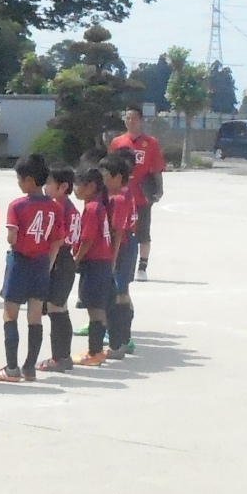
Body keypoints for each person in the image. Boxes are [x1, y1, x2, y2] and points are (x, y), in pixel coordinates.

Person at [0, 154, 63, 383]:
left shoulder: (18, 205)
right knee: (35, 316)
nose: (19, 183)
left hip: (20, 262)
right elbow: (57, 240)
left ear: (29, 180)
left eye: (20, 179)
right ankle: (29, 367)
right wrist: (48, 264)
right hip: (41, 263)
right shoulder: (55, 207)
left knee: (10, 314)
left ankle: (11, 367)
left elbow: (12, 237)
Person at [109, 106, 165, 281]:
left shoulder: (151, 143)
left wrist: (159, 189)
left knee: (143, 233)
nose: (130, 121)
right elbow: (109, 167)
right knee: (117, 230)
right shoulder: (117, 142)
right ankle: (115, 263)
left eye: (134, 118)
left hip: (141, 196)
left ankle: (142, 267)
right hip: (120, 196)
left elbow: (156, 169)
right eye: (127, 118)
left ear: (141, 120)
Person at [37, 165, 81, 372]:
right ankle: (62, 356)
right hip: (65, 259)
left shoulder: (59, 208)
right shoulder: (68, 207)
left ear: (63, 187)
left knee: (57, 309)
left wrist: (46, 266)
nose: (45, 187)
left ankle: (60, 357)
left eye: (49, 183)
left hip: (60, 259)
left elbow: (57, 239)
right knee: (59, 308)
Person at [72, 167, 114, 367]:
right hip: (103, 262)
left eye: (78, 184)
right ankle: (97, 351)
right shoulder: (99, 205)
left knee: (94, 309)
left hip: (95, 263)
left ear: (91, 186)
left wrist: (76, 259)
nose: (75, 189)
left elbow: (87, 239)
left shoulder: (91, 208)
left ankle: (94, 352)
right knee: (98, 308)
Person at [101, 150, 138, 360]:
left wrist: (112, 259)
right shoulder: (118, 194)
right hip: (123, 244)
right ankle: (121, 337)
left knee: (120, 293)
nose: (102, 180)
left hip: (123, 246)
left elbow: (118, 232)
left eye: (105, 176)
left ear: (117, 177)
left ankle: (123, 339)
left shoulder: (120, 198)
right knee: (119, 292)